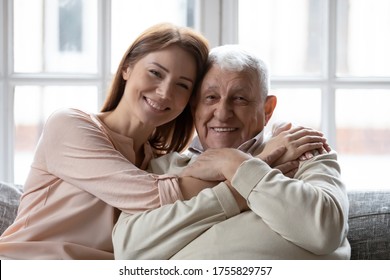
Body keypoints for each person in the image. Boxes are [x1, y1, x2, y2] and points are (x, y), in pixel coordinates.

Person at [112, 45, 350, 260]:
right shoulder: (162, 168)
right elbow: (129, 251)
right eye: (211, 98)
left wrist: (233, 163)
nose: (223, 113)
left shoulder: (300, 150)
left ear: (267, 110)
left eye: (240, 99)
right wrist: (237, 188)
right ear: (195, 107)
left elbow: (323, 231)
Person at [0, 23, 210, 259]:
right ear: (127, 68)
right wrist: (239, 178)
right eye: (156, 73)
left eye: (182, 85)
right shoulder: (69, 125)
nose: (164, 92)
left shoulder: (159, 163)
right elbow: (153, 197)